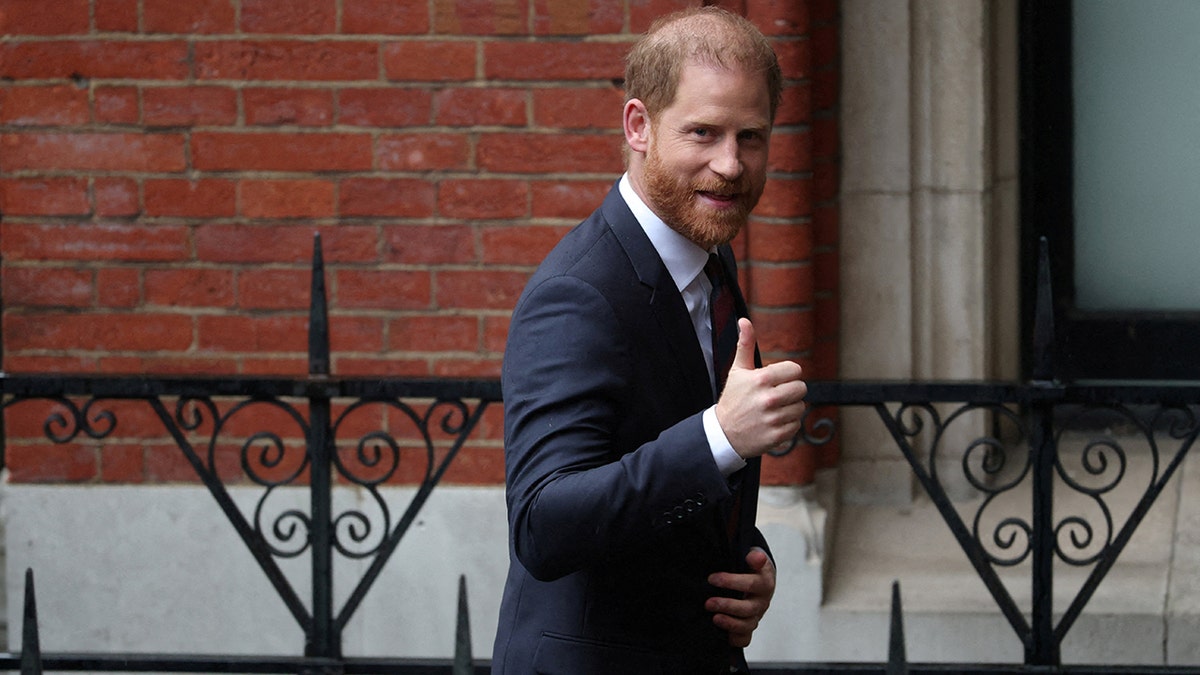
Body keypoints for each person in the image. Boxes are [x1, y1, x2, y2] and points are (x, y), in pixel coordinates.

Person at [491, 7, 808, 674]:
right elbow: (543, 523)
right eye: (703, 132)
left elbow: (664, 469)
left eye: (751, 137)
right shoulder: (578, 294)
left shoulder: (706, 258)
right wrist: (720, 434)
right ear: (638, 125)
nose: (730, 164)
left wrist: (744, 561)